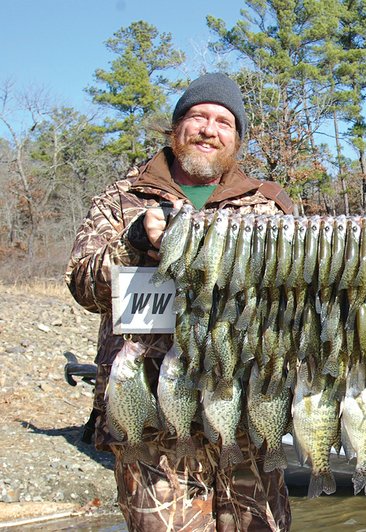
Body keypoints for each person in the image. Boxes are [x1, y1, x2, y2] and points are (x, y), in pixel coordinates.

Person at [65, 72, 293, 531]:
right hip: (148, 415)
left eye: (223, 122)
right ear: (176, 127)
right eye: (198, 116)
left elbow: (292, 299)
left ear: (237, 139)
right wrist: (134, 244)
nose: (210, 129)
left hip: (243, 410)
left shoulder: (266, 204)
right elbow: (82, 286)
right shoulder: (123, 198)